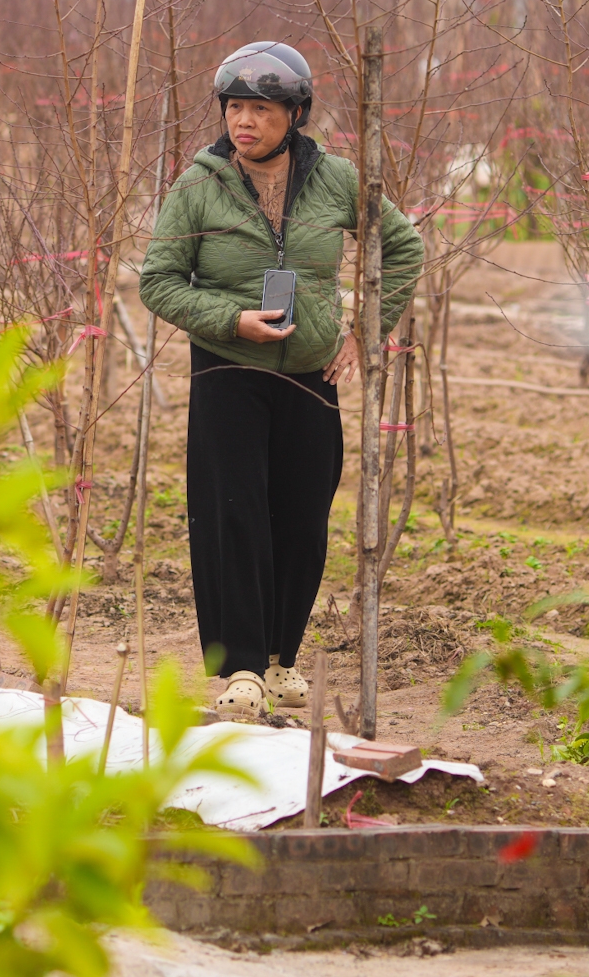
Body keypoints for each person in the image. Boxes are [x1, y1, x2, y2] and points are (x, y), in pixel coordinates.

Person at [136, 40, 424, 721]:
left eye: (261, 109)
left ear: (295, 114)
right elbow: (158, 281)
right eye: (235, 107)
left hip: (307, 374)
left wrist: (363, 332)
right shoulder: (198, 184)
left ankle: (277, 659)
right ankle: (239, 667)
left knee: (302, 515)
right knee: (232, 514)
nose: (244, 121)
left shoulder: (336, 180)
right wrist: (231, 319)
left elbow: (403, 245)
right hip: (228, 368)